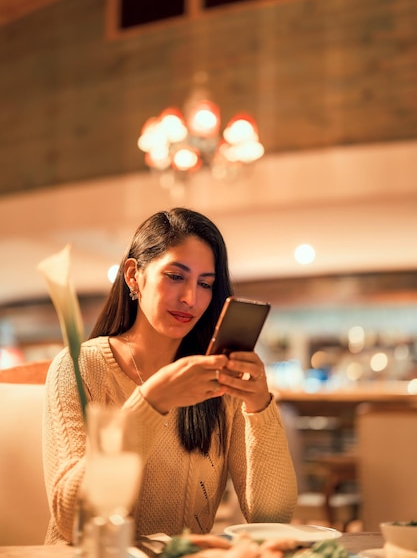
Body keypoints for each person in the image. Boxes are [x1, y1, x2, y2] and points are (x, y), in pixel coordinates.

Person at [43, 207, 297, 545]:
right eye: (176, 276)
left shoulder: (216, 377)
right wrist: (151, 402)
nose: (190, 298)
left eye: (205, 284)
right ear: (133, 275)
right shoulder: (80, 366)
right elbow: (72, 517)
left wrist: (258, 406)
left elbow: (273, 518)